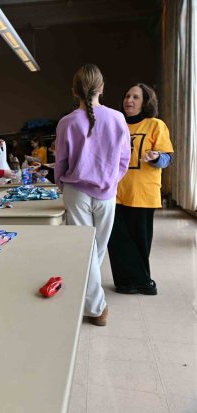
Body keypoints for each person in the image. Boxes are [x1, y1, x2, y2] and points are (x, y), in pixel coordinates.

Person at [55, 64, 131, 326]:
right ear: (101, 88)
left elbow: (61, 161)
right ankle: (96, 307)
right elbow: (125, 159)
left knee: (86, 251)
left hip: (76, 192)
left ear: (74, 91)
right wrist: (111, 180)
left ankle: (90, 303)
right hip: (107, 193)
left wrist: (60, 184)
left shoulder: (67, 122)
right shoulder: (118, 119)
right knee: (96, 250)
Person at [107, 83, 174, 295]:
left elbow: (167, 158)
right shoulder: (116, 124)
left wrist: (156, 157)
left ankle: (138, 282)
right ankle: (131, 281)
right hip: (115, 193)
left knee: (140, 242)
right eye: (127, 96)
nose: (129, 101)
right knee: (116, 239)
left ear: (145, 102)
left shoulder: (155, 125)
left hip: (143, 193)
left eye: (135, 97)